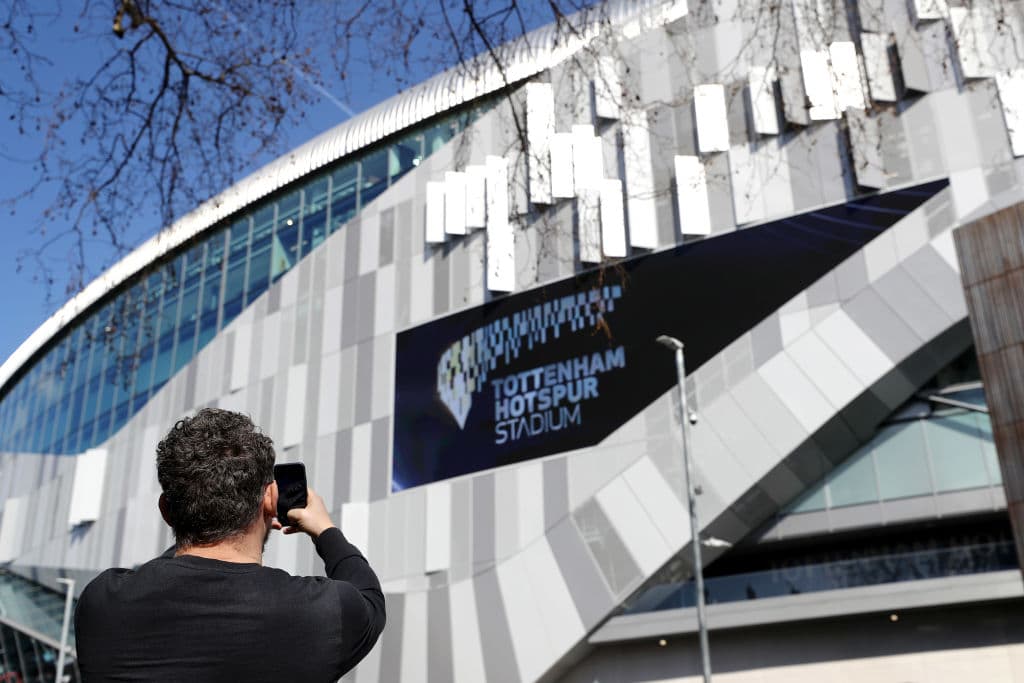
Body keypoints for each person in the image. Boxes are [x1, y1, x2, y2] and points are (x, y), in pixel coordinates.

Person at [74, 408, 385, 682]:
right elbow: (370, 598)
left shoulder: (102, 602)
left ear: (167, 511)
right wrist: (325, 530)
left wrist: (194, 518)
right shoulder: (319, 614)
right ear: (269, 500)